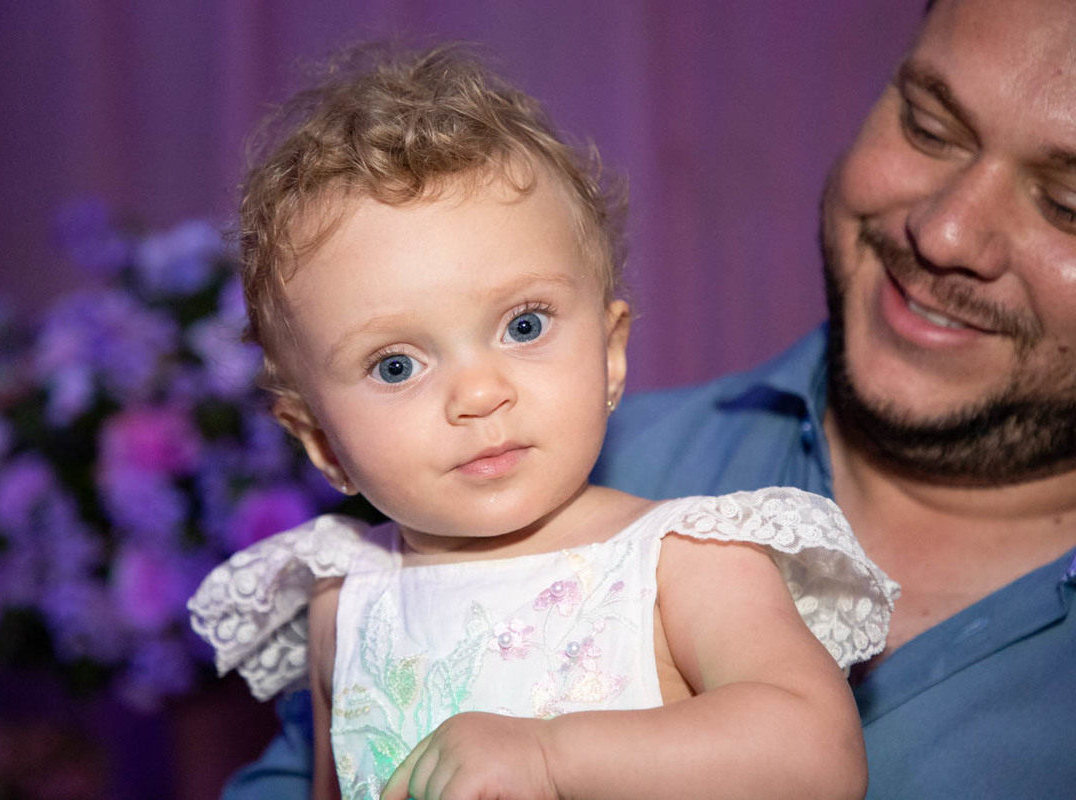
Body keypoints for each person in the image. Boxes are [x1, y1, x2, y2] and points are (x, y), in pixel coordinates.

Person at [217, 1, 1076, 798]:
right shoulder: (341, 602)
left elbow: (816, 754)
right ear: (319, 443)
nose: (479, 392)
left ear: (611, 352)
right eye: (396, 366)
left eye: (523, 325)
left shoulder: (686, 556)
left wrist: (551, 756)